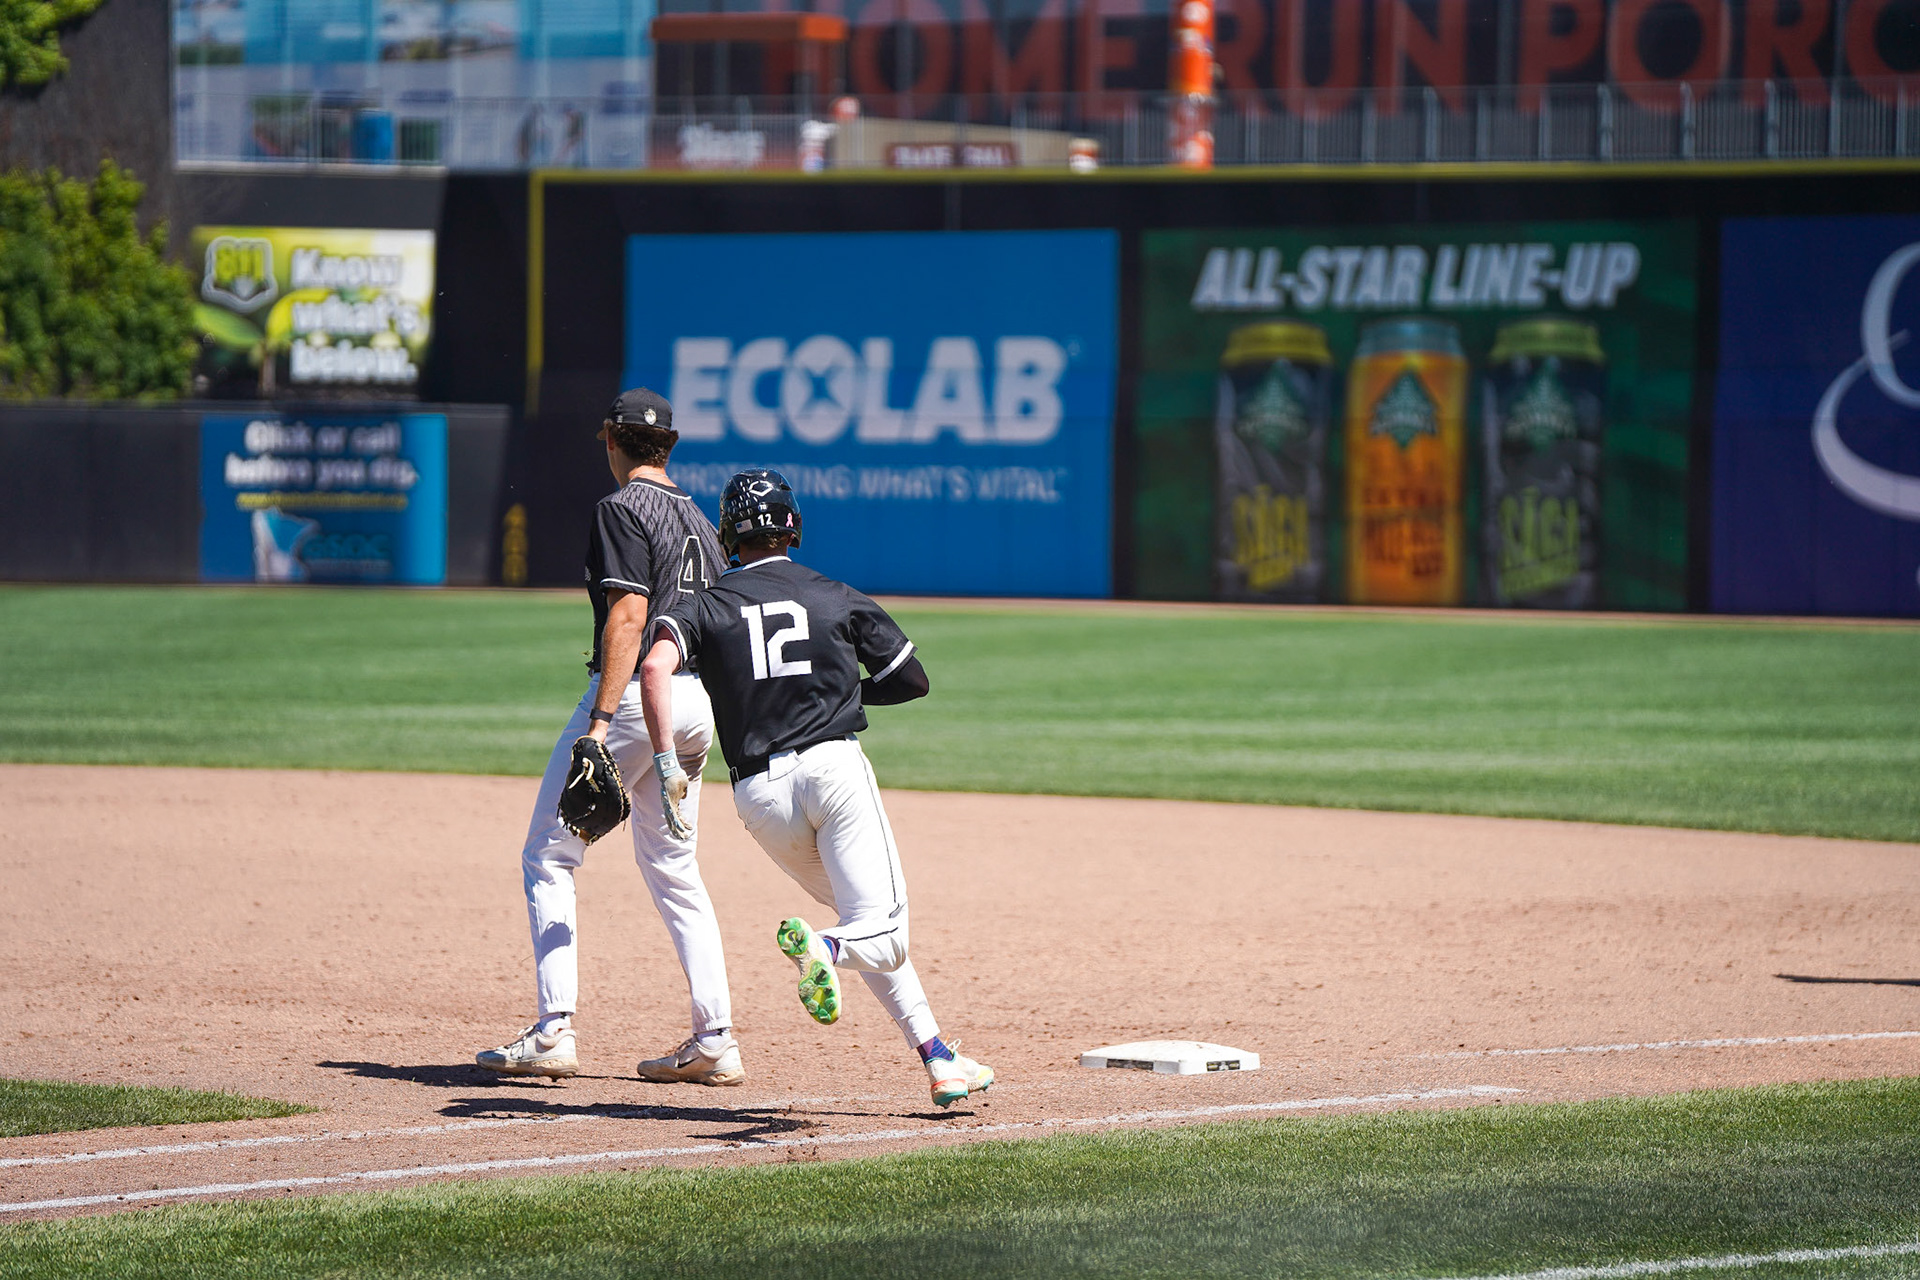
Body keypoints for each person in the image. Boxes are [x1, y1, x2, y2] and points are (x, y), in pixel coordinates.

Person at [637, 469, 994, 1109]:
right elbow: (912, 679)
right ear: (793, 527)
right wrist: (843, 693)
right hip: (833, 773)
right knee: (881, 933)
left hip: (759, 797)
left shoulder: (706, 605)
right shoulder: (833, 594)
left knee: (866, 923)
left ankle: (940, 1059)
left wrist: (666, 760)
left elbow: (656, 666)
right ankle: (825, 947)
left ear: (728, 536)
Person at [476, 388, 745, 1087]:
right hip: (693, 702)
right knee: (675, 868)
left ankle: (553, 1030)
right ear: (670, 445)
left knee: (549, 855)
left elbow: (628, 616)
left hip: (632, 698)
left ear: (610, 439)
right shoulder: (701, 520)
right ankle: (715, 1037)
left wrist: (599, 724)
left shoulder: (622, 508)